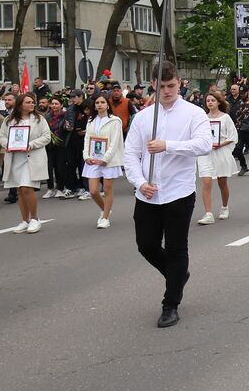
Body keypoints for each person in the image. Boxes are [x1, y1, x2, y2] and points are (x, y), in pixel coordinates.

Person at [124, 62, 213, 329]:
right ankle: (177, 275)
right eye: (161, 87)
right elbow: (130, 153)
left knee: (176, 248)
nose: (167, 91)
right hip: (148, 193)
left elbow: (204, 144)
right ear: (153, 85)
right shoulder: (143, 117)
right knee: (146, 245)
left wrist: (168, 146)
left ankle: (170, 303)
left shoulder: (193, 114)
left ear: (179, 83)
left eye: (171, 85)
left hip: (178, 191)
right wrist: (139, 182)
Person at [2, 93, 51, 234]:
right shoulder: (9, 120)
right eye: (28, 102)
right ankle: (24, 220)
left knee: (27, 187)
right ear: (20, 104)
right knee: (20, 190)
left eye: (32, 102)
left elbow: (46, 137)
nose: (32, 104)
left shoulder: (39, 119)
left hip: (32, 157)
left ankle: (35, 219)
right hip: (16, 157)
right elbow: (2, 136)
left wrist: (31, 144)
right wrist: (8, 144)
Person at [82, 93, 125, 229]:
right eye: (97, 103)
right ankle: (105, 209)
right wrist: (86, 156)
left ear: (107, 105)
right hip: (94, 159)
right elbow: (87, 140)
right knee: (93, 191)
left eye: (102, 102)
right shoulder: (91, 121)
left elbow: (115, 141)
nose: (99, 105)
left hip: (109, 160)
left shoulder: (115, 121)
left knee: (107, 189)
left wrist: (106, 158)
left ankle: (105, 217)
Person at [196, 90, 236, 225]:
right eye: (208, 101)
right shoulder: (202, 119)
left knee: (222, 182)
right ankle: (208, 214)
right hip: (206, 153)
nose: (210, 103)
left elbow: (232, 136)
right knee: (206, 182)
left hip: (220, 152)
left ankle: (225, 207)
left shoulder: (225, 118)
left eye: (213, 100)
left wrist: (220, 144)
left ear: (219, 102)